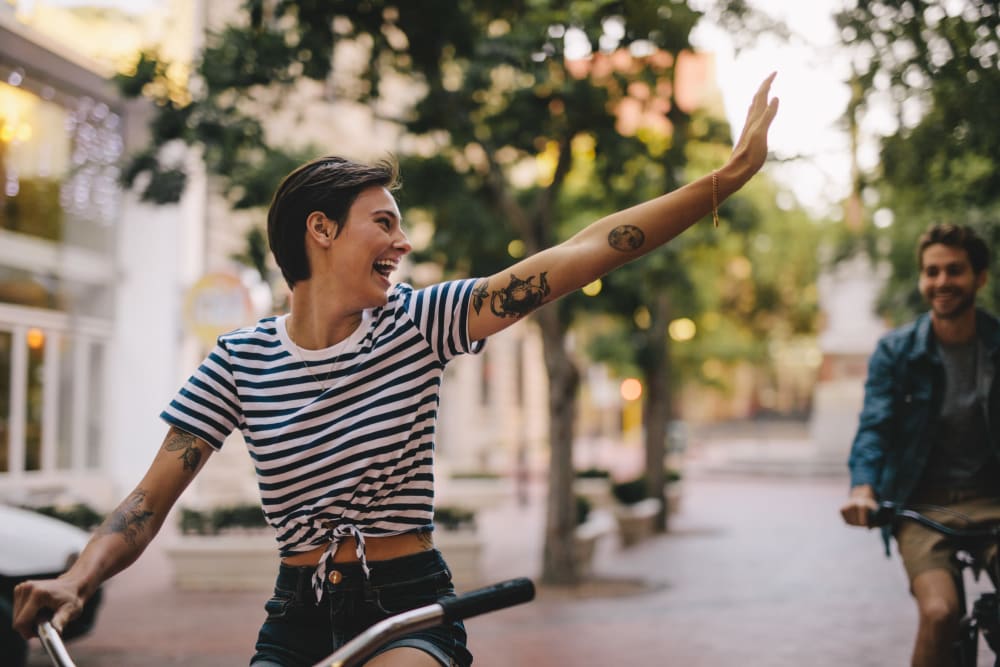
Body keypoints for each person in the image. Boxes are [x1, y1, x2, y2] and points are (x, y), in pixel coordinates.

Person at [13, 74, 778, 666]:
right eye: (384, 223)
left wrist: (725, 178)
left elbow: (583, 250)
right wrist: (79, 576)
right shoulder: (237, 361)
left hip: (407, 603)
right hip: (298, 612)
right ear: (321, 230)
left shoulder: (420, 322)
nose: (402, 243)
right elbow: (145, 504)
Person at [840, 223, 1000, 667]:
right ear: (921, 279)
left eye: (955, 271)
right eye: (932, 272)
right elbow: (875, 427)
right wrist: (863, 489)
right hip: (923, 508)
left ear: (980, 277)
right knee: (940, 611)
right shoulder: (896, 352)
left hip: (994, 501)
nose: (942, 282)